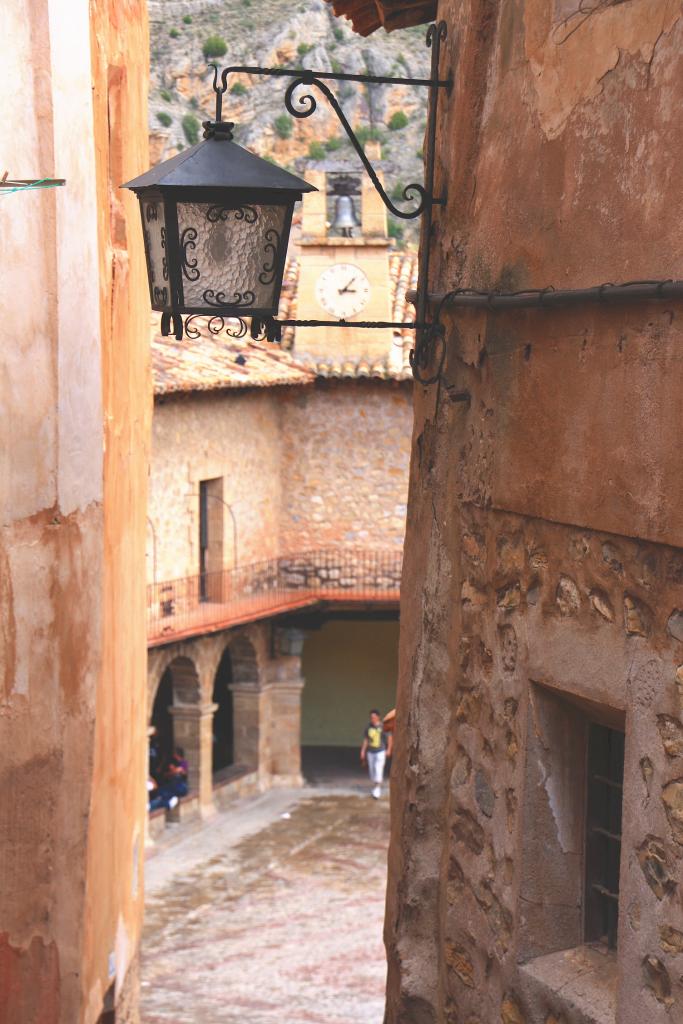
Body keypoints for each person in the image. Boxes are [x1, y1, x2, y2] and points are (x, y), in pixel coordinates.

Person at [360, 709, 392, 799]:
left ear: (378, 717)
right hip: (370, 752)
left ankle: (377, 789)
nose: (372, 719)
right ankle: (375, 786)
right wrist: (363, 751)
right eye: (371, 717)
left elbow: (389, 738)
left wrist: (389, 749)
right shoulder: (368, 727)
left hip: (380, 751)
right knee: (372, 770)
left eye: (374, 717)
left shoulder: (383, 727)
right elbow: (366, 740)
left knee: (378, 769)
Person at [149, 746, 189, 811]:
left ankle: (166, 803)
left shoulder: (183, 763)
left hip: (181, 786)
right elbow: (167, 774)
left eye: (174, 754)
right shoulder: (173, 762)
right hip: (173, 786)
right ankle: (167, 803)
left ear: (177, 754)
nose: (173, 755)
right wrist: (172, 771)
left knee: (163, 793)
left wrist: (173, 770)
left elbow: (178, 771)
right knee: (161, 794)